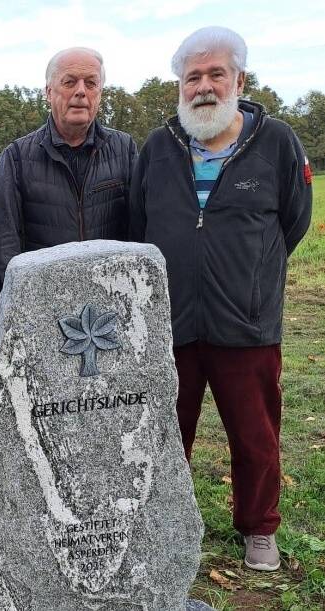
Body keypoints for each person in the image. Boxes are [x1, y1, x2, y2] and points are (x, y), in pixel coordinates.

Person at [129, 26, 312, 572]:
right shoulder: (158, 147)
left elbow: (294, 220)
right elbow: (139, 224)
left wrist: (249, 278)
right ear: (179, 86)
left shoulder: (276, 142)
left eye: (216, 74)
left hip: (247, 324)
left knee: (255, 435)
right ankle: (164, 522)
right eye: (193, 77)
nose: (204, 87)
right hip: (171, 323)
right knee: (166, 434)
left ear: (239, 81)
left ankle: (258, 527)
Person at [0, 47, 137, 282]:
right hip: (44, 296)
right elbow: (5, 243)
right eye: (69, 82)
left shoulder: (124, 148)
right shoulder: (16, 157)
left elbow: (137, 232)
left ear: (100, 93)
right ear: (49, 92)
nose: (81, 91)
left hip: (110, 294)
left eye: (91, 83)